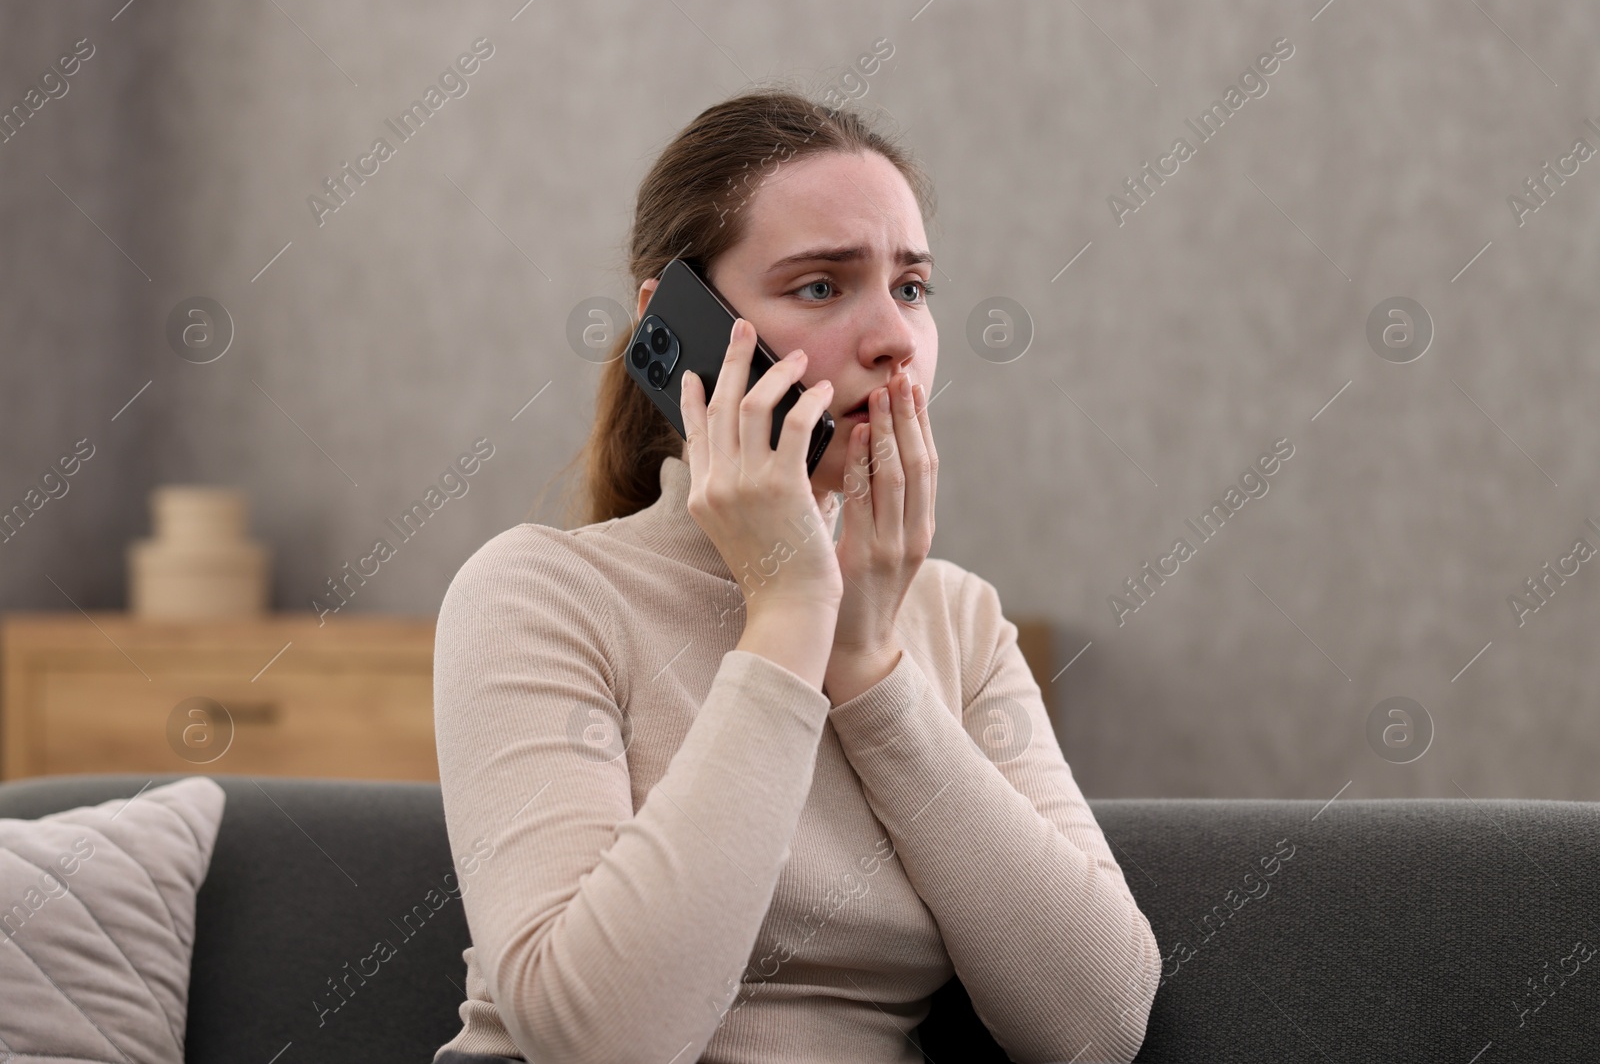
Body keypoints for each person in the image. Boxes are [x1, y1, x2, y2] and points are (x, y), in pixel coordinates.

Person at [431, 84, 1160, 1064]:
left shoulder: (956, 622)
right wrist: (787, 610)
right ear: (673, 328)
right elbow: (604, 1039)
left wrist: (868, 663)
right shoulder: (538, 594)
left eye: (910, 287)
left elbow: (1095, 1025)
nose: (893, 337)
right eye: (820, 286)